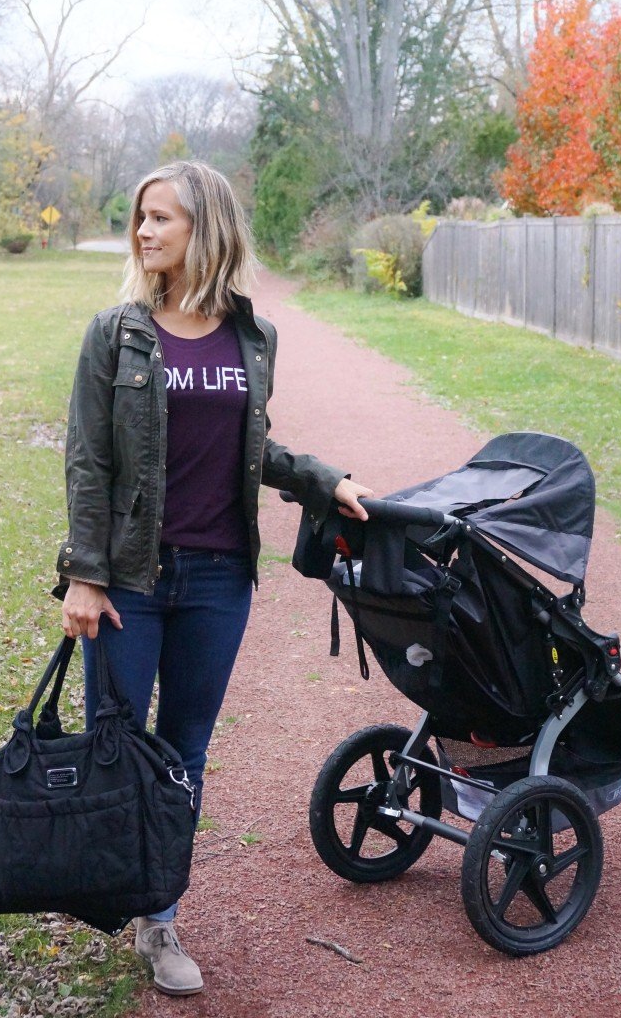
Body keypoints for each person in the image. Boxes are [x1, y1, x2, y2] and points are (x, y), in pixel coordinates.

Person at [55, 161, 371, 997]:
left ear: (208, 230)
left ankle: (159, 916)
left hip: (220, 578)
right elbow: (89, 463)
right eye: (140, 219)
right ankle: (116, 884)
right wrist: (86, 578)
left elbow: (249, 446)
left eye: (163, 219)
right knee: (119, 747)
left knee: (185, 752)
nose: (145, 232)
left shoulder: (251, 337)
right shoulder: (116, 333)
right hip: (127, 578)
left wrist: (320, 477)